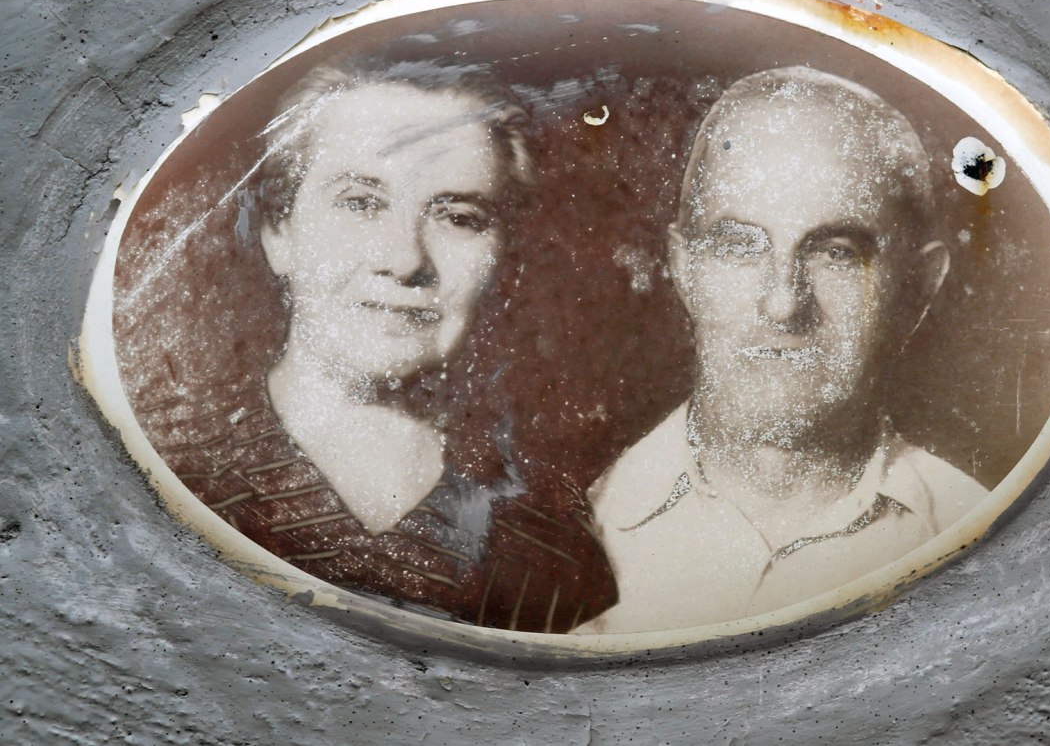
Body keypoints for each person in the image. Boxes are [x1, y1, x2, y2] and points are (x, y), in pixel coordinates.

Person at [160, 60, 616, 633]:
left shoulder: (551, 545)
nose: (405, 260)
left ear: (501, 256)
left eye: (458, 217)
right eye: (360, 203)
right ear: (279, 232)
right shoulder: (170, 471)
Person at [577, 66, 988, 634]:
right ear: (683, 269)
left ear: (916, 288)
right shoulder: (566, 528)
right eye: (739, 247)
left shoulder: (976, 532)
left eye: (836, 253)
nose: (783, 303)